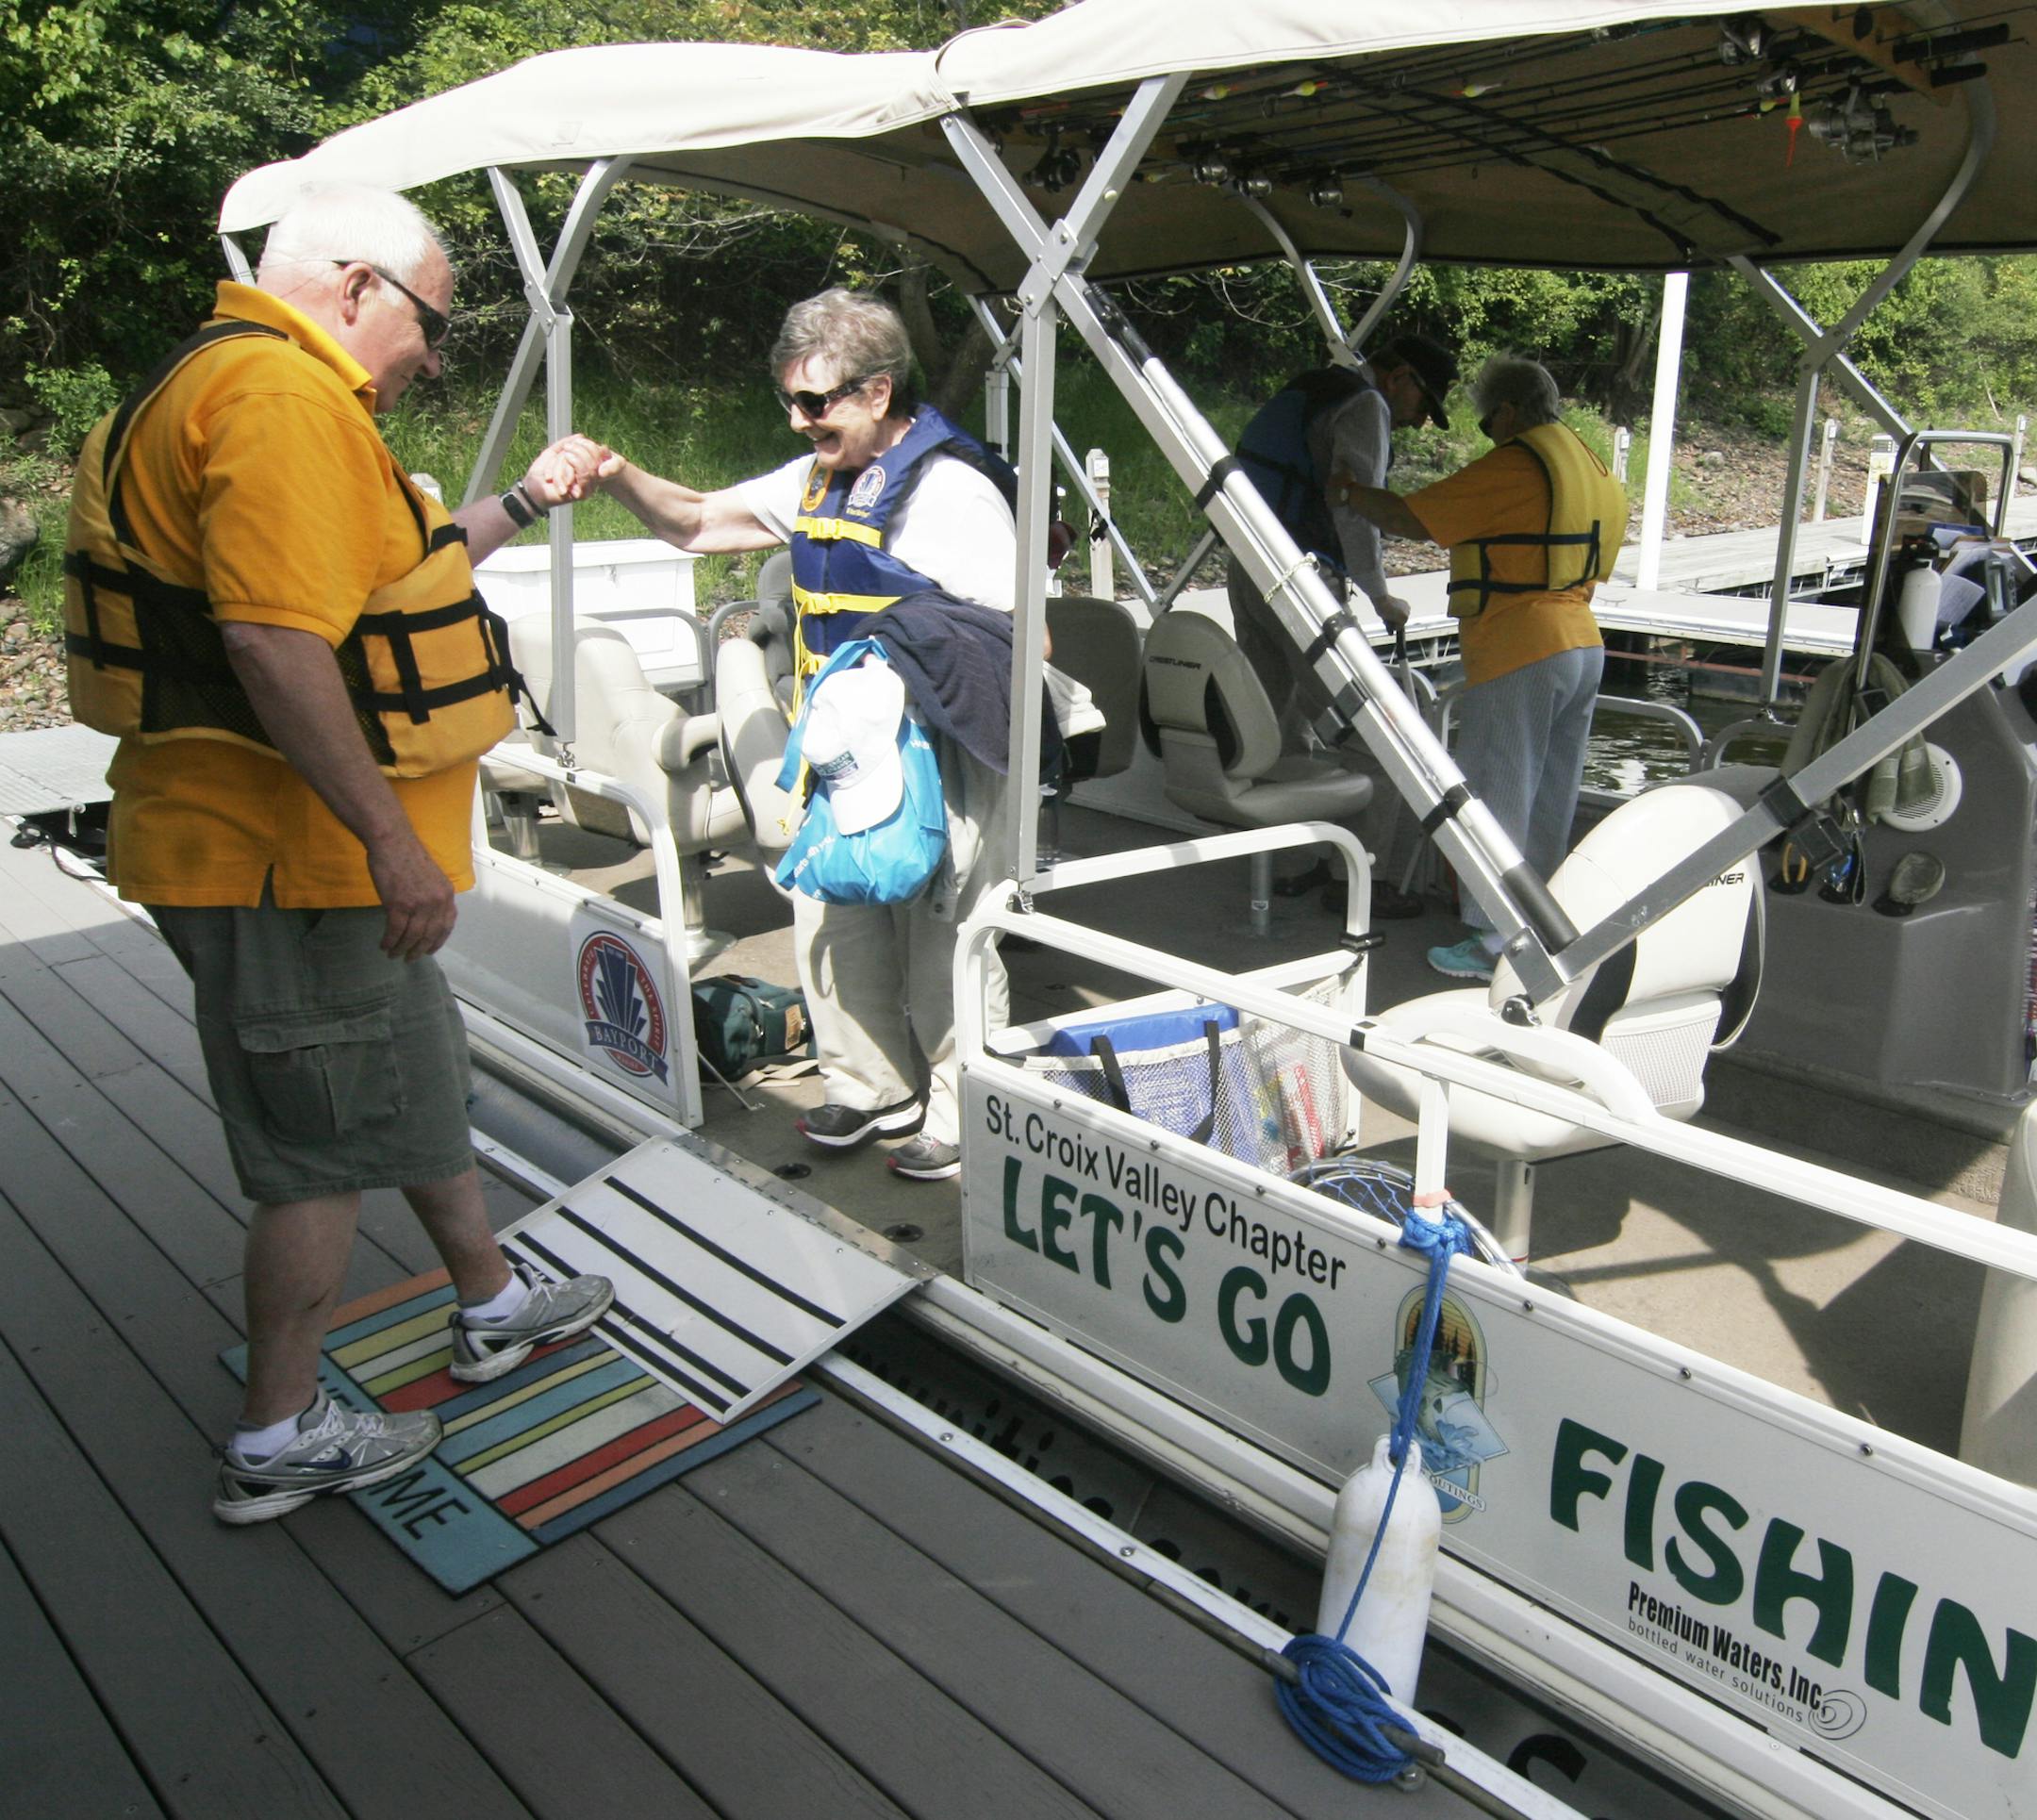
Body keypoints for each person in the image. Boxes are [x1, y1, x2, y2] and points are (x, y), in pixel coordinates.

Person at [61, 184, 614, 1524]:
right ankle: (280, 1432)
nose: (433, 349)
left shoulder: (229, 382)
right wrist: (391, 845)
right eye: (429, 318)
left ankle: (490, 1298)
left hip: (326, 871)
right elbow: (271, 643)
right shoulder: (282, 405)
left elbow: (389, 577)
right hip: (293, 863)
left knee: (406, 1069)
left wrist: (526, 502)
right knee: (318, 1149)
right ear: (357, 286)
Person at [557, 288, 1019, 1184]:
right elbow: (693, 523)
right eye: (789, 402)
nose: (799, 420)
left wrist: (902, 670)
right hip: (843, 747)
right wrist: (616, 474)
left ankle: (966, 1107)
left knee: (943, 930)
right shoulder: (816, 477)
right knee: (833, 913)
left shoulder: (953, 493)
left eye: (814, 403)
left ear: (877, 393)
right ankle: (871, 1085)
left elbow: (1015, 642)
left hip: (938, 749)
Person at [1333, 354, 1626, 982]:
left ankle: (1496, 942)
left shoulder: (1520, 463)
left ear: (1510, 411)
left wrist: (1350, 493)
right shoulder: (1589, 461)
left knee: (1499, 799)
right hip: (1583, 645)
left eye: (1488, 419)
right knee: (1550, 802)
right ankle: (1541, 928)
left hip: (1521, 646)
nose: (1488, 432)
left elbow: (1413, 517)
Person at [1227, 332, 1456, 753]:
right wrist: (1381, 598)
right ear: (1400, 377)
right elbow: (1356, 508)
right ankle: (1377, 817)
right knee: (1367, 725)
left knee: (1267, 718)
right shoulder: (1365, 405)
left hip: (1248, 564)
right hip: (1302, 578)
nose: (1421, 421)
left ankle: (1267, 809)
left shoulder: (1314, 386)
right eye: (1424, 406)